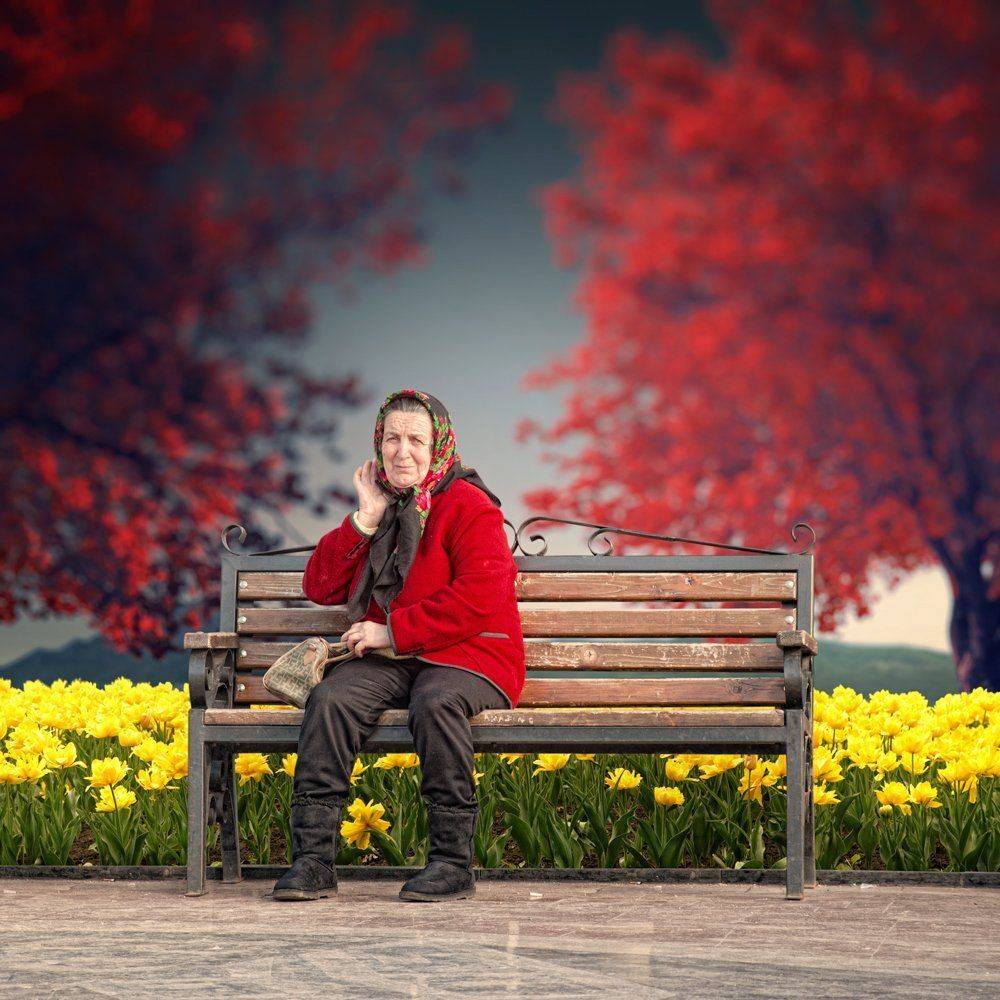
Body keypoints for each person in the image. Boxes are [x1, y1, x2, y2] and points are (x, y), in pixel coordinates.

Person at [272, 388, 526, 903]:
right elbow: (319, 586)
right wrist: (365, 518)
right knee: (332, 699)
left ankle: (453, 864)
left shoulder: (470, 506)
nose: (402, 451)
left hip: (468, 654)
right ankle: (313, 861)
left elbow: (481, 596)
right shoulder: (384, 507)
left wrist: (392, 631)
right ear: (378, 444)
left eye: (416, 439)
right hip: (395, 658)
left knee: (435, 702)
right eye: (392, 438)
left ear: (439, 445)